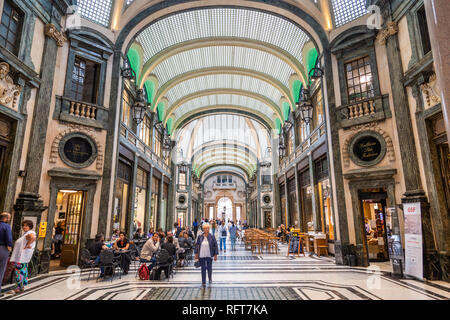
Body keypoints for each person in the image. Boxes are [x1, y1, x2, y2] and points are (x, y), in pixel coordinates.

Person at [8, 220, 36, 295]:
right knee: (22, 272)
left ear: (30, 226)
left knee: (19, 272)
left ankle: (18, 287)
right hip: (22, 258)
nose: (24, 227)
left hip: (21, 258)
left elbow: (32, 237)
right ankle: (21, 286)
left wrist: (28, 244)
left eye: (26, 226)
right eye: (23, 225)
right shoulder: (26, 233)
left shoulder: (31, 233)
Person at [194, 223, 218, 288]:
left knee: (209, 268)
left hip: (209, 254)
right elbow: (197, 245)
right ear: (203, 229)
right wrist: (196, 254)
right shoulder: (200, 237)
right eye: (205, 228)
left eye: (207, 228)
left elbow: (215, 245)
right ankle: (203, 282)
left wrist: (215, 254)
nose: (206, 229)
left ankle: (210, 278)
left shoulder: (212, 237)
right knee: (203, 268)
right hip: (201, 254)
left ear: (209, 229)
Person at [0, 212, 12, 297]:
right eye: (9, 218)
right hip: (2, 249)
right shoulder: (6, 226)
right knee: (1, 270)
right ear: (6, 218)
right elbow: (8, 238)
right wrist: (9, 247)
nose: (9, 219)